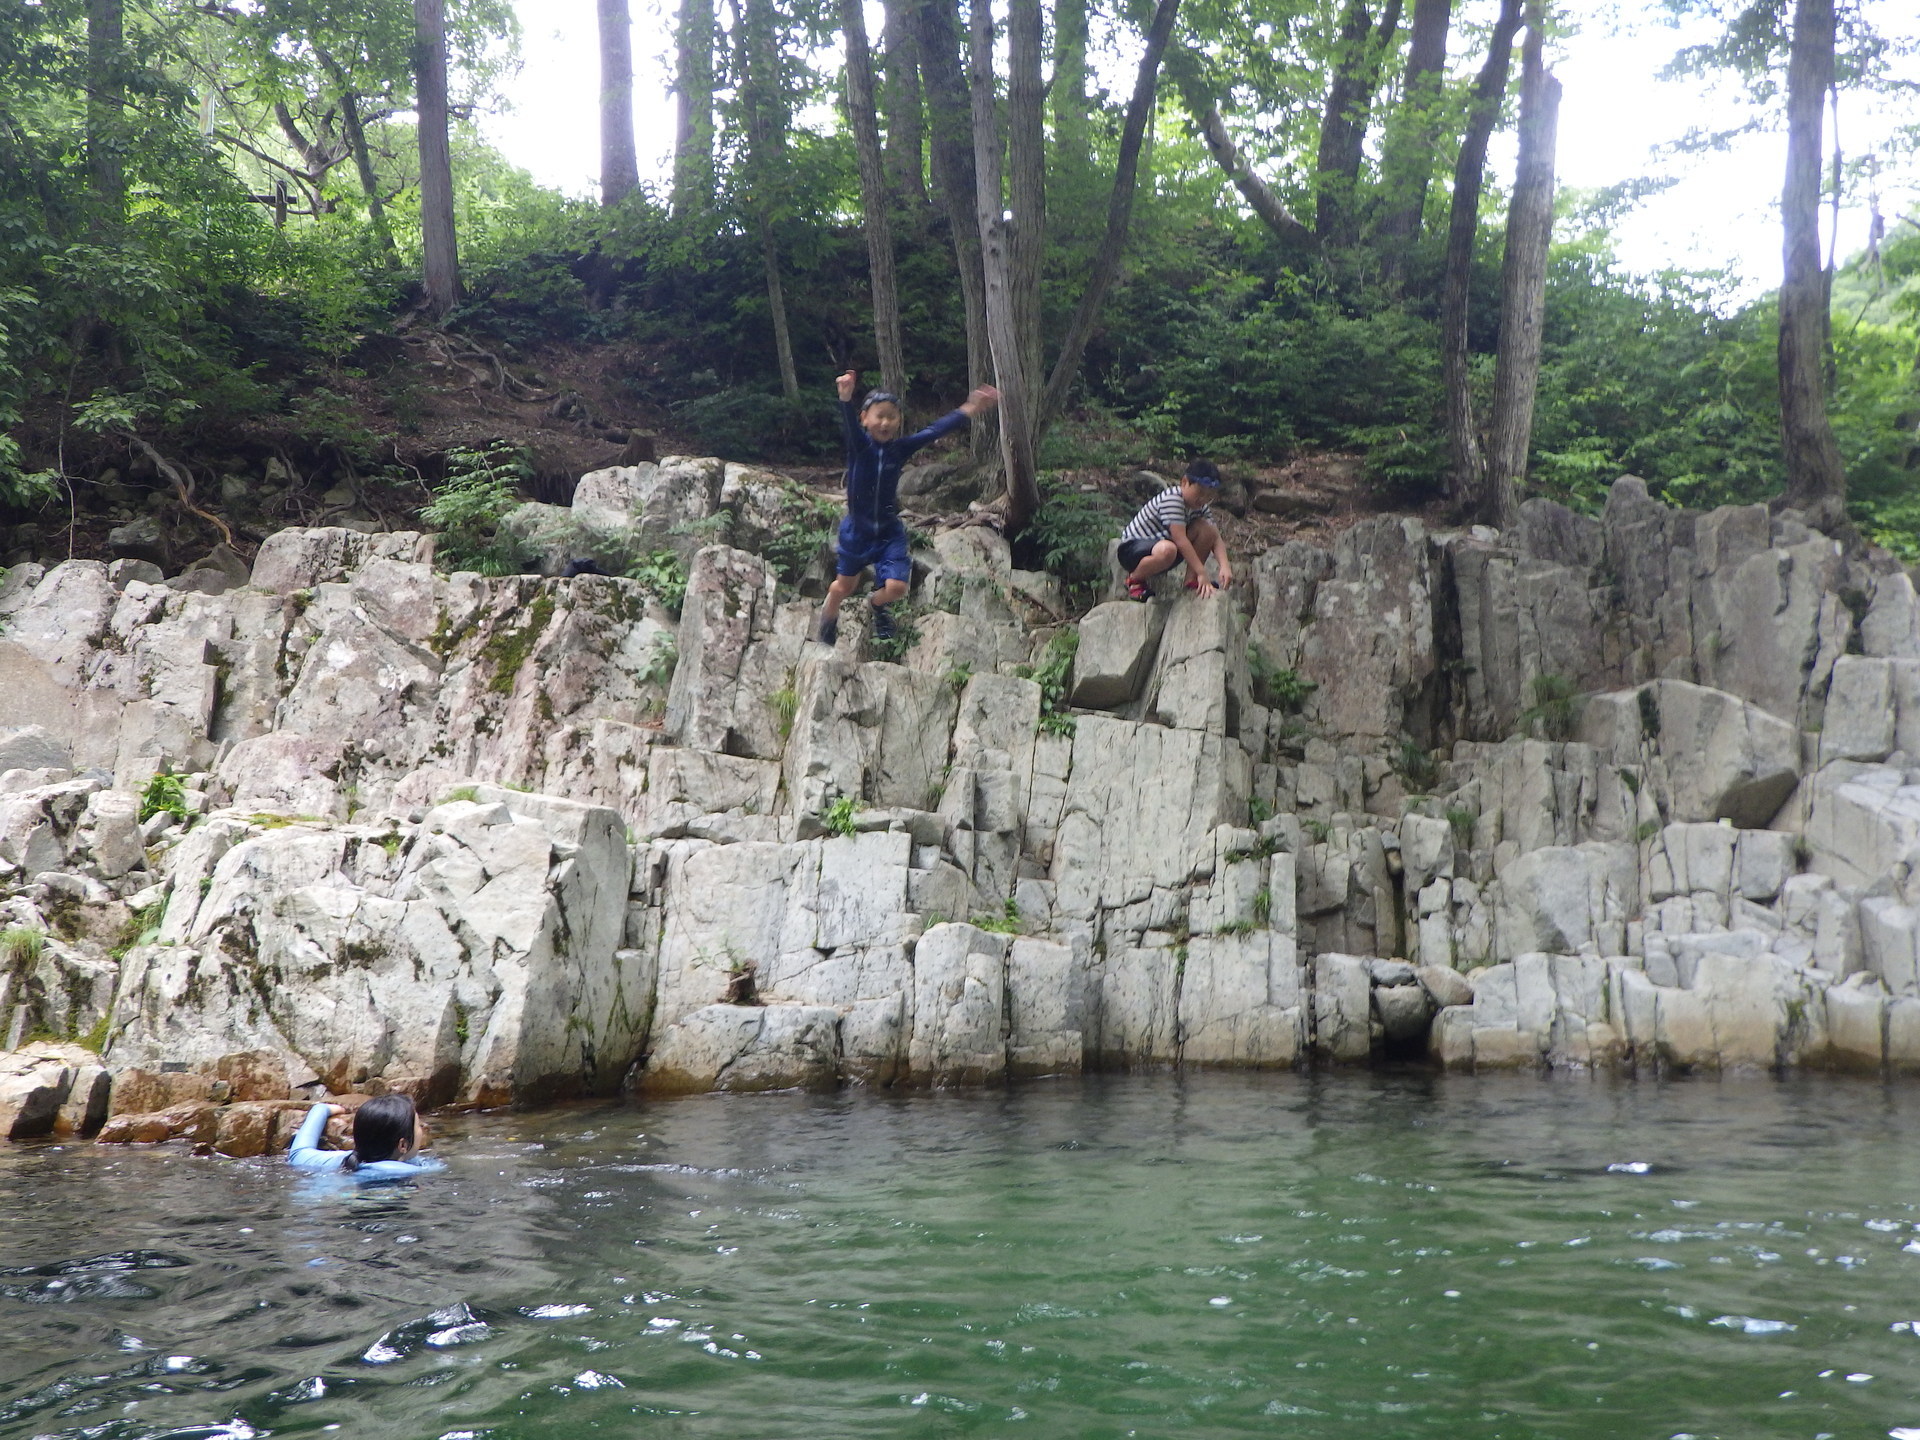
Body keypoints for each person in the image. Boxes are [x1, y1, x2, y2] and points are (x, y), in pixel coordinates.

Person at [817, 371, 999, 647]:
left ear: (899, 420)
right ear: (865, 419)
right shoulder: (859, 447)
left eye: (891, 416)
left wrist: (970, 408)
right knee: (844, 587)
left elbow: (933, 431)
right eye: (879, 415)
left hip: (888, 531)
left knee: (897, 587)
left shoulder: (899, 450)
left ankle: (876, 605)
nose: (885, 422)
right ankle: (828, 620)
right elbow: (848, 426)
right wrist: (845, 397)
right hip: (857, 532)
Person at [1116, 460, 1233, 601]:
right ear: (1184, 482)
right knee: (1168, 550)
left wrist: (1225, 566)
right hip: (1132, 550)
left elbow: (1215, 536)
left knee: (1206, 529)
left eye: (1208, 496)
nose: (1203, 499)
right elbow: (1180, 539)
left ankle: (1191, 580)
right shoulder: (1173, 499)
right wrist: (1202, 572)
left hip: (1163, 550)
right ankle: (1134, 580)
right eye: (1200, 492)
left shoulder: (1200, 507)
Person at [287, 1094, 439, 1178]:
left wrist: (321, 1109)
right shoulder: (417, 1172)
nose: (422, 1129)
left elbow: (298, 1152)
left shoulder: (341, 1161)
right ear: (403, 1145)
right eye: (418, 1126)